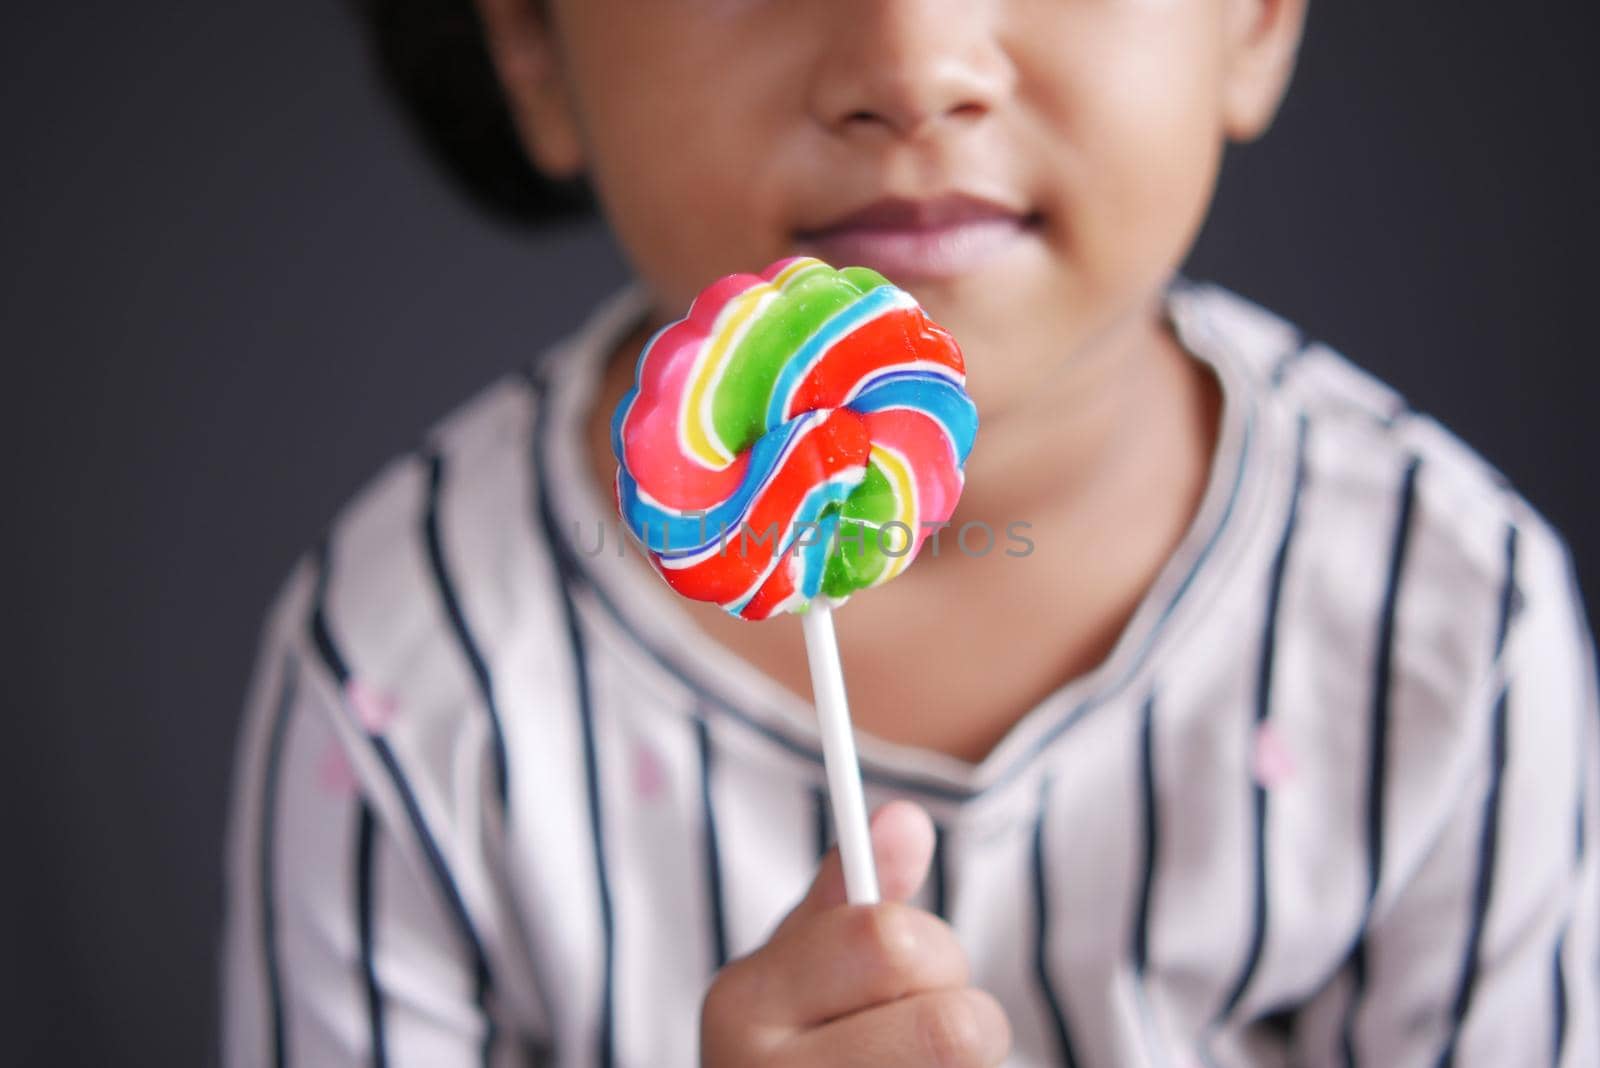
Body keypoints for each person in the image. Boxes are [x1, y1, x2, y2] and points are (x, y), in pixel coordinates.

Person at [221, 0, 1600, 1064]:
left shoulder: (1450, 628)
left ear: (1254, 16)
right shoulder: (403, 676)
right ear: (528, 39)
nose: (911, 59)